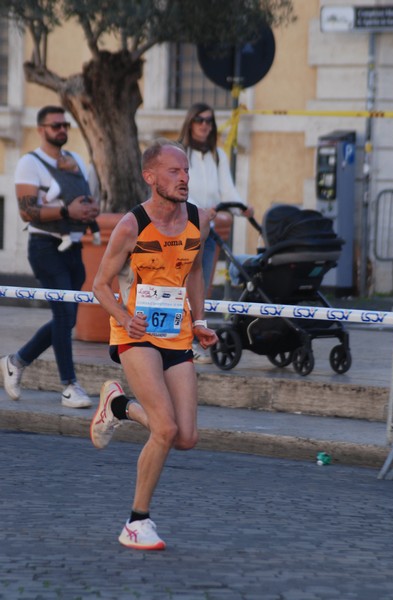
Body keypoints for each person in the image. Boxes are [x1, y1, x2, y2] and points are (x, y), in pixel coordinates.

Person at [90, 138, 218, 551]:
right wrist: (126, 318)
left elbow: (196, 270)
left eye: (185, 172)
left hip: (177, 333)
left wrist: (199, 321)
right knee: (164, 428)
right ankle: (136, 522)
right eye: (173, 172)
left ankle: (117, 406)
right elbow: (100, 285)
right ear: (150, 177)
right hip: (136, 334)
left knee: (186, 437)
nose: (183, 179)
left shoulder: (198, 219)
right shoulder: (131, 225)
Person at [0, 105, 99, 408]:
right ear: (41, 129)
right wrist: (68, 210)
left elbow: (82, 196)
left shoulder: (76, 161)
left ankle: (16, 361)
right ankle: (70, 386)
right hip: (45, 247)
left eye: (65, 125)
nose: (61, 130)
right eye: (55, 125)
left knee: (66, 319)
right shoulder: (30, 164)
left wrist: (90, 211)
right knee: (63, 315)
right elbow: (27, 210)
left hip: (74, 246)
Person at [178, 102, 254, 363]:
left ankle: (194, 339)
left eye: (209, 121)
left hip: (207, 229)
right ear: (190, 122)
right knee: (182, 284)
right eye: (199, 120)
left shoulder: (217, 156)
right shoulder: (180, 153)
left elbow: (227, 189)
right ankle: (183, 340)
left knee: (201, 287)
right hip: (184, 227)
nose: (204, 125)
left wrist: (241, 207)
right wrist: (200, 211)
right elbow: (178, 189)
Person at [45, 154, 101, 252]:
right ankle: (96, 234)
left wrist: (46, 199)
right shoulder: (81, 177)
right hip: (85, 204)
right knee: (91, 219)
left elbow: (53, 192)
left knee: (60, 217)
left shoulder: (59, 179)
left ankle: (66, 239)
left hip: (71, 209)